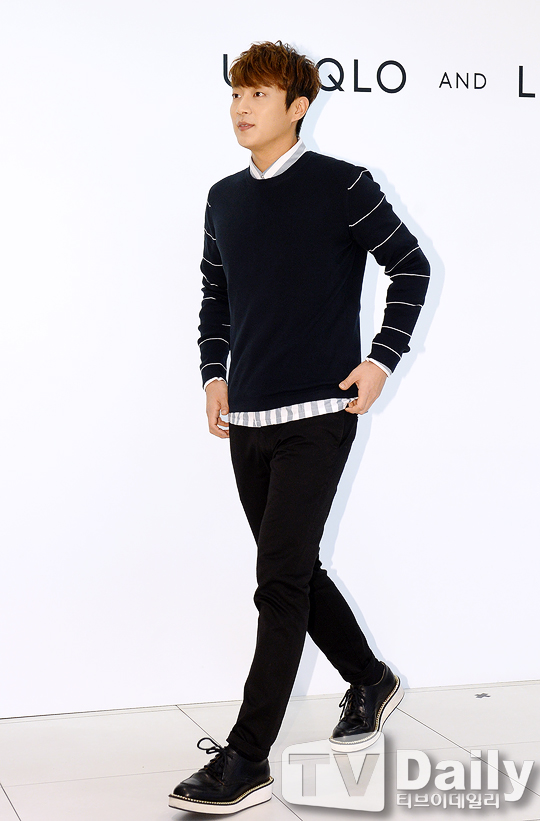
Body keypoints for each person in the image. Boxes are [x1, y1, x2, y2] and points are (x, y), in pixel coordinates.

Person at [169, 41, 430, 814]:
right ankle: (371, 678)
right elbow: (215, 294)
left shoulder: (342, 184)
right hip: (246, 419)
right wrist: (213, 373)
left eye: (259, 93)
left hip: (319, 416)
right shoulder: (223, 197)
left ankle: (248, 756)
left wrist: (382, 358)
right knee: (296, 569)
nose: (242, 107)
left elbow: (411, 266)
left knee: (278, 581)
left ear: (298, 106)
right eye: (237, 93)